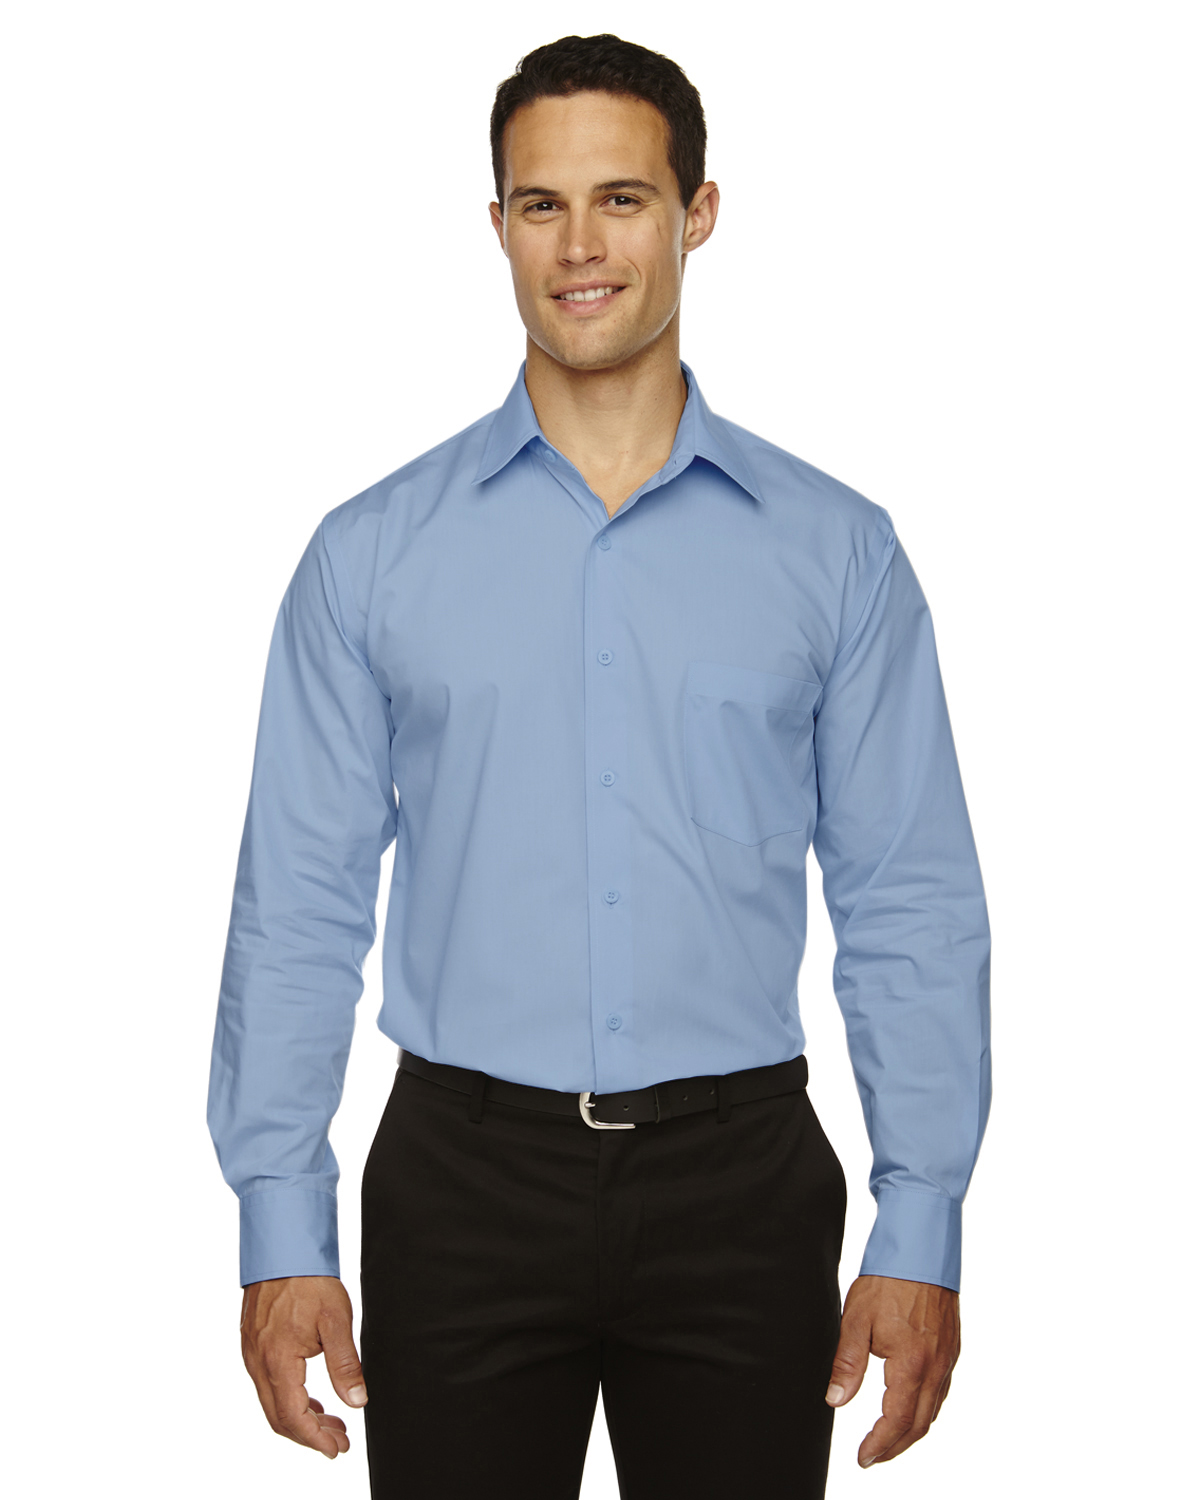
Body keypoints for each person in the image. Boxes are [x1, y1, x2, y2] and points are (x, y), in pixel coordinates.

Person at [207, 32, 991, 1500]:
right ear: (497, 225)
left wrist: (922, 1218)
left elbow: (909, 902)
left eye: (622, 199)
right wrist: (280, 1223)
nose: (580, 245)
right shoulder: (370, 556)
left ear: (699, 213)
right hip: (460, 1184)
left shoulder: (838, 553)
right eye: (542, 204)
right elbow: (297, 906)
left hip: (742, 1184)